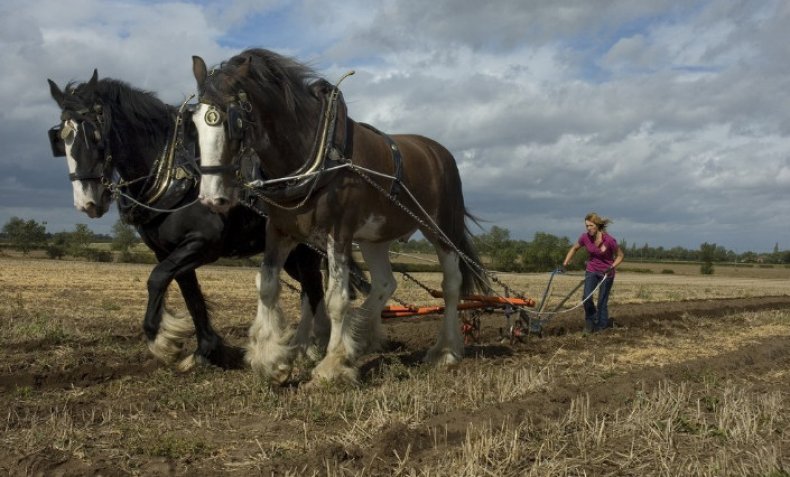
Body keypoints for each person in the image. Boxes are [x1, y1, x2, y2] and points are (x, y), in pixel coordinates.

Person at [562, 212, 625, 332]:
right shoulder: (585, 237)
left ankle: (601, 327)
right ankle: (590, 321)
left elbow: (620, 256)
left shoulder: (609, 240)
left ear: (597, 225)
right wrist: (565, 262)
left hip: (607, 273)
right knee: (586, 297)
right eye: (587, 226)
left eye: (591, 225)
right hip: (591, 270)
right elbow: (574, 248)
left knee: (602, 302)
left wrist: (612, 266)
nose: (588, 228)